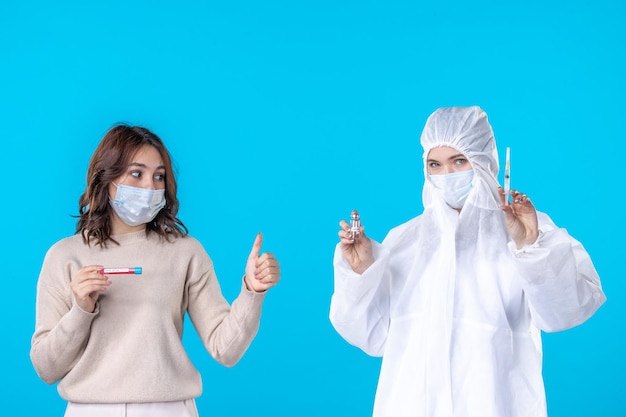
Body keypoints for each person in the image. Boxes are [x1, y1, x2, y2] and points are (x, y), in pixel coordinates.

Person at [329, 106, 605, 417]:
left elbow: (565, 312)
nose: (447, 175)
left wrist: (530, 246)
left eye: (459, 161)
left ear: (484, 161)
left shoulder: (526, 231)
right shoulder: (404, 241)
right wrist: (363, 270)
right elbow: (371, 337)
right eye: (435, 164)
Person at [30, 125, 281, 417]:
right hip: (90, 409)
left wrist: (253, 291)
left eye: (158, 176)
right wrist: (81, 311)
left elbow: (226, 349)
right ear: (106, 176)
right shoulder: (65, 256)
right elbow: (46, 368)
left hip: (169, 409)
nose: (150, 187)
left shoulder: (185, 252)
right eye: (136, 173)